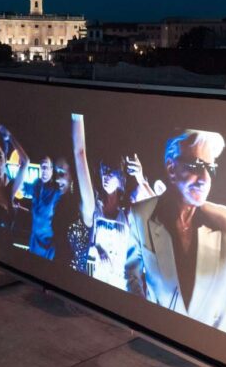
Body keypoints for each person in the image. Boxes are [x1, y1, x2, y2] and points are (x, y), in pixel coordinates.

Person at [125, 129, 226, 331]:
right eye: (195, 166)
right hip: (157, 340)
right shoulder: (140, 215)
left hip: (211, 352)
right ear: (171, 168)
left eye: (210, 169)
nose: (205, 179)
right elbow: (130, 276)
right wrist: (143, 318)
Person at [71, 113, 153, 285]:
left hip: (122, 287)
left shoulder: (128, 210)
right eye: (104, 170)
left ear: (121, 177)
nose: (106, 175)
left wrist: (139, 176)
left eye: (112, 170)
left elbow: (155, 206)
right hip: (95, 284)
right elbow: (80, 154)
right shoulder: (93, 206)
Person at [0, 125, 29, 233]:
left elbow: (25, 161)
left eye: (0, 157)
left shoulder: (10, 187)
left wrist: (10, 136)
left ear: (6, 159)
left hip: (8, 245)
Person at [50, 157, 88, 272]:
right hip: (55, 273)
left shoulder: (82, 205)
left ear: (72, 175)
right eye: (56, 173)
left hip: (75, 280)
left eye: (61, 173)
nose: (57, 179)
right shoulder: (56, 203)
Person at [29, 155, 61, 259]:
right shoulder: (36, 185)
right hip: (33, 243)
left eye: (46, 167)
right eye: (41, 167)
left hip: (47, 246)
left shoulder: (57, 191)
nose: (43, 170)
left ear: (52, 170)